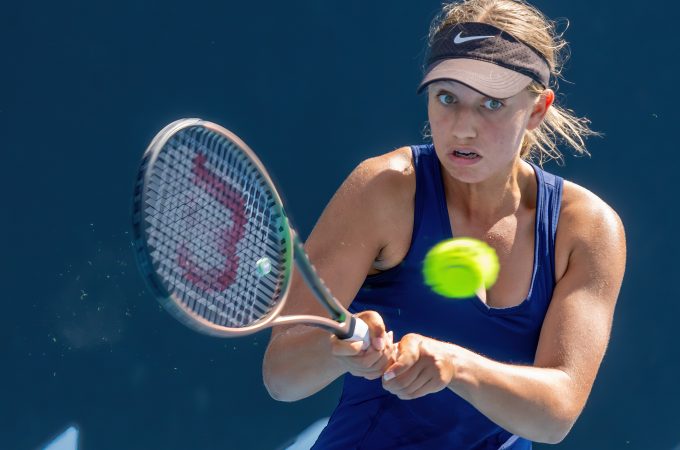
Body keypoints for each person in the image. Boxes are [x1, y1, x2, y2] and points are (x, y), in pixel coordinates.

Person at [263, 0, 626, 448]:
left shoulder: (586, 228)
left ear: (537, 109)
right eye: (447, 97)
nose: (462, 129)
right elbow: (281, 376)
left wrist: (456, 366)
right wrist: (340, 350)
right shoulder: (385, 189)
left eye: (492, 103)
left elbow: (555, 416)